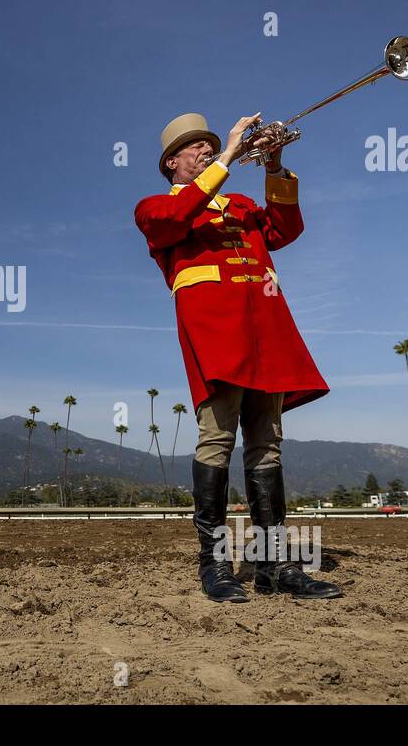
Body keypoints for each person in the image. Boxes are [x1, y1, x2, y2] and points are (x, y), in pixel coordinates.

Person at [134, 112, 341, 602]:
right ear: (172, 162)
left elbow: (285, 230)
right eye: (196, 148)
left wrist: (274, 165)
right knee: (218, 440)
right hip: (216, 336)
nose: (206, 150)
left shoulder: (241, 204)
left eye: (211, 145)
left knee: (267, 445)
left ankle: (275, 566)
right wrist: (227, 156)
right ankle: (215, 565)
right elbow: (172, 221)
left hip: (265, 333)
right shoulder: (156, 207)